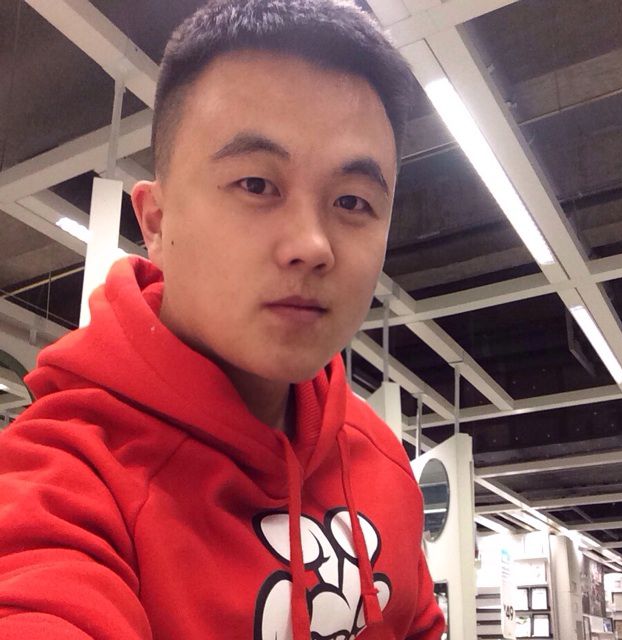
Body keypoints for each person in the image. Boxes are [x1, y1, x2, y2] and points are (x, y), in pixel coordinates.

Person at [0, 1, 445, 638]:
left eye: (352, 201)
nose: (312, 245)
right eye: (256, 185)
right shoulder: (62, 479)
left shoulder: (379, 459)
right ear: (155, 222)